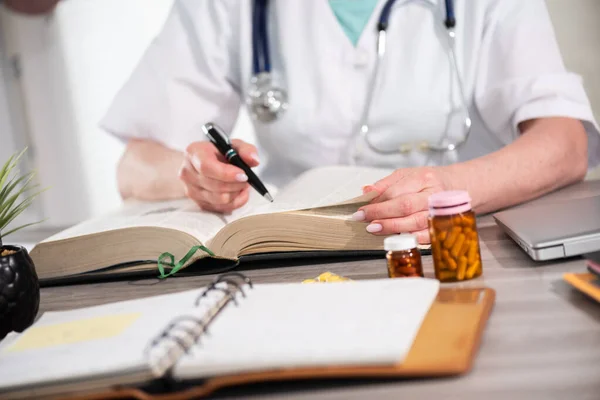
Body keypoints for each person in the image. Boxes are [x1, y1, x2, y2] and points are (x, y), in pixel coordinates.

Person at [101, 0, 600, 243]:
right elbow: (135, 166)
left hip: (455, 245)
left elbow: (565, 142)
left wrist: (448, 187)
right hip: (295, 260)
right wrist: (195, 176)